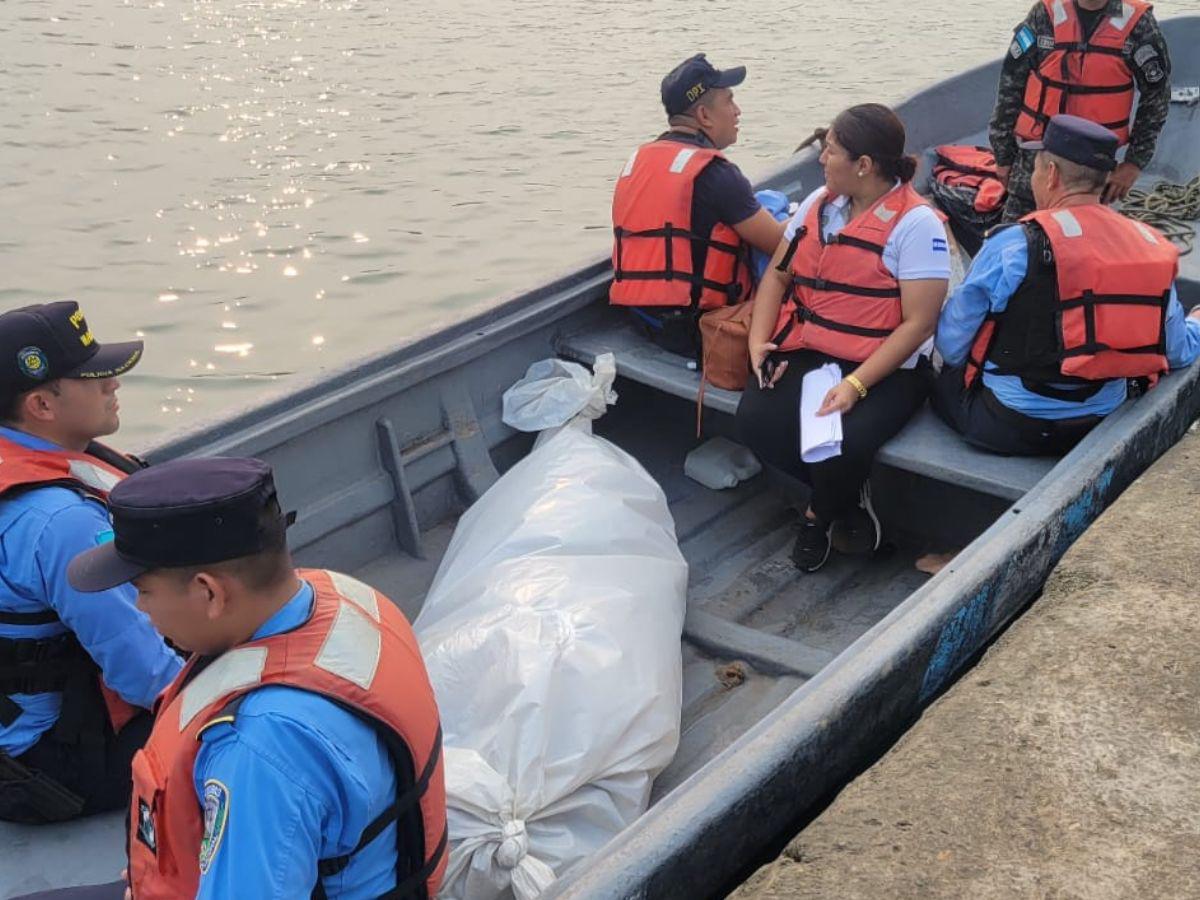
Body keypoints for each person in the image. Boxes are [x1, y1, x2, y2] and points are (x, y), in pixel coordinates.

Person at [63, 457, 447, 899]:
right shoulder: (343, 597)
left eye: (143, 591)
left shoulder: (258, 746)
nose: (141, 609)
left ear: (209, 592)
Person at [737, 104, 951, 572]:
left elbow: (919, 323)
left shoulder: (916, 226)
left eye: (830, 151)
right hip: (812, 348)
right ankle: (848, 500)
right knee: (756, 419)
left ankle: (818, 518)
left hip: (885, 367)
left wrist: (856, 386)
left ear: (864, 166)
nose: (821, 160)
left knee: (844, 443)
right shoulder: (820, 204)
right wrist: (758, 342)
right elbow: (777, 275)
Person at [0, 301, 181, 824]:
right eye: (94, 377)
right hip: (48, 767)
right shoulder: (62, 522)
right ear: (41, 405)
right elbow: (147, 677)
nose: (113, 385)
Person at [934, 114, 1200, 456]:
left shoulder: (1013, 244)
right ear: (1104, 181)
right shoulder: (1151, 245)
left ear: (1051, 175)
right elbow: (1177, 351)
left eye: (1034, 169)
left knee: (925, 375)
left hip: (1004, 425)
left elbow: (952, 346)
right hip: (1101, 423)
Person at [609, 52, 786, 355]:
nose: (738, 111)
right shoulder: (716, 174)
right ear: (704, 116)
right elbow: (783, 246)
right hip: (699, 330)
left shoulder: (638, 160)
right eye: (730, 101)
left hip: (642, 319)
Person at [989, 0, 1172, 222]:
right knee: (1013, 238)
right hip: (1037, 160)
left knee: (1082, 242)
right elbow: (1011, 80)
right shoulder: (1045, 15)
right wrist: (1003, 154)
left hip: (1093, 170)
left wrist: (1134, 163)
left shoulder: (1139, 24)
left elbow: (1157, 94)